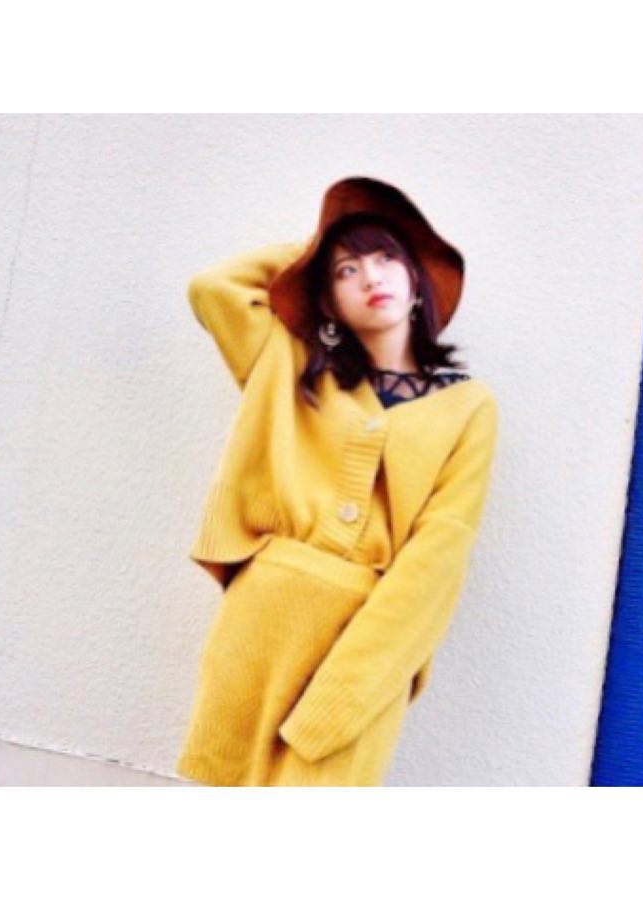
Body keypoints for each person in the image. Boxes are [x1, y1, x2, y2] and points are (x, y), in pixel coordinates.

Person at [175, 176, 500, 786]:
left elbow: (437, 559)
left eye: (387, 259)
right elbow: (214, 289)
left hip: (366, 641)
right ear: (326, 300)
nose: (371, 277)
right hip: (260, 623)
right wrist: (315, 251)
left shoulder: (469, 407)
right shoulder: (289, 364)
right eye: (347, 271)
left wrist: (349, 693)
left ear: (417, 279)